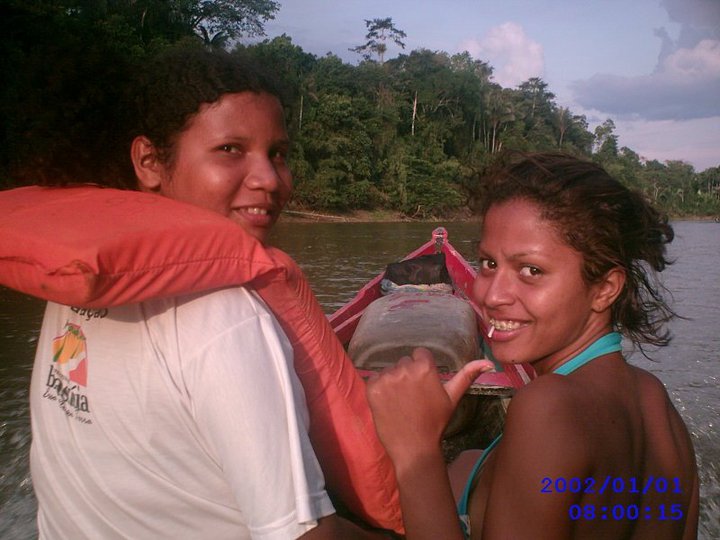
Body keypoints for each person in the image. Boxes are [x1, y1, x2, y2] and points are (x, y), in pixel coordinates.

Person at [29, 44, 390, 539]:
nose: (269, 180)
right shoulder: (229, 317)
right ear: (149, 161)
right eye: (230, 150)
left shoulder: (79, 280)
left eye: (278, 154)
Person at [366, 152, 699, 539]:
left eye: (531, 271)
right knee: (469, 460)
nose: (491, 295)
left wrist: (416, 450)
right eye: (489, 263)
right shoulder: (657, 405)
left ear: (605, 289)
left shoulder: (548, 406)